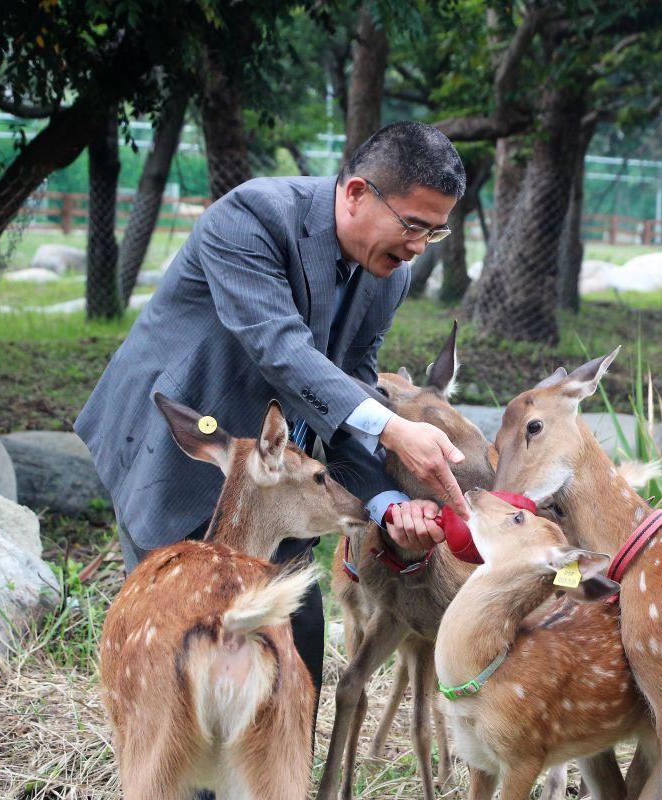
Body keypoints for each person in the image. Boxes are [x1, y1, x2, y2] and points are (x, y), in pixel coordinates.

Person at [74, 121, 471, 696]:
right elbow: (279, 349)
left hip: (278, 474)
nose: (416, 247)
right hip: (186, 437)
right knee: (186, 652)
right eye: (412, 224)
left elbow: (349, 385)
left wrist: (386, 504)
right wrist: (392, 429)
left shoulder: (388, 277)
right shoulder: (253, 217)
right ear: (358, 192)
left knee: (295, 641)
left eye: (433, 234)